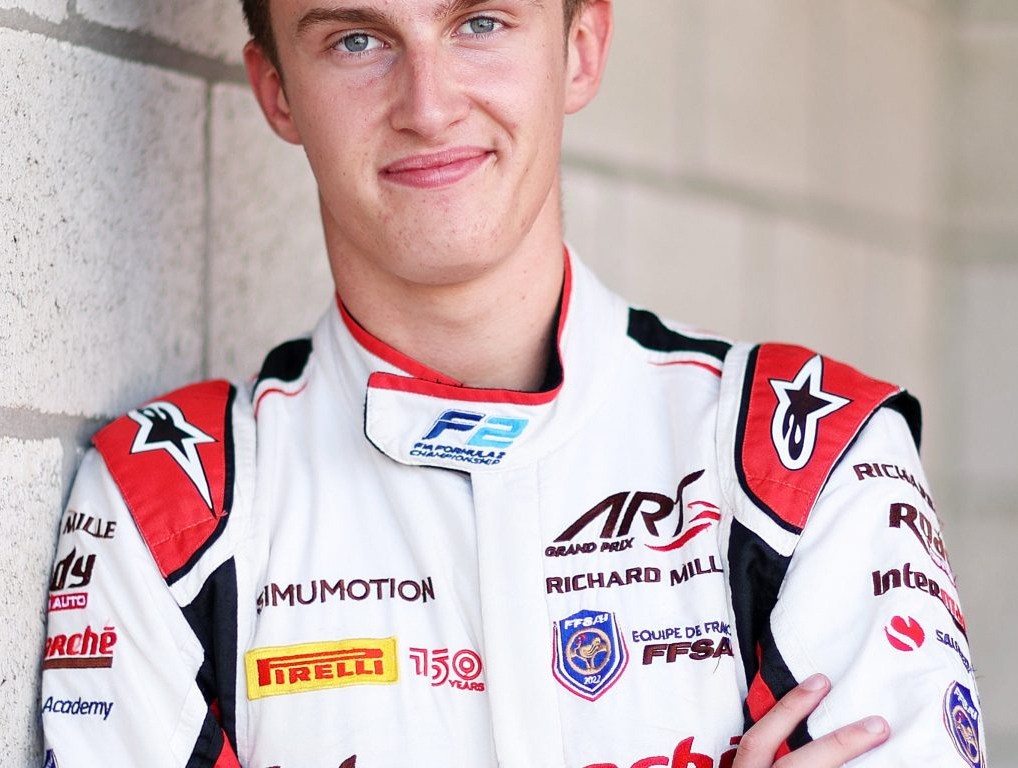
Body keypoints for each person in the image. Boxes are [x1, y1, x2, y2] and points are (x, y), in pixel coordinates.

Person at [40, 1, 986, 766]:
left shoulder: (811, 459)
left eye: (480, 23)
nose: (429, 103)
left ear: (580, 48)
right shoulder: (164, 508)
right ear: (276, 91)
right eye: (356, 39)